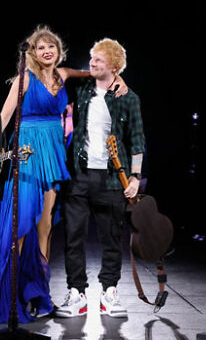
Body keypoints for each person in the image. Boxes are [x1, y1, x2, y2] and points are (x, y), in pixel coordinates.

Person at [0, 26, 127, 323]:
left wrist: (117, 78)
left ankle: (38, 292)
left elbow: (95, 73)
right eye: (41, 47)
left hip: (54, 152)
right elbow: (4, 116)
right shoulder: (24, 79)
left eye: (52, 47)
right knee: (20, 225)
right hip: (28, 151)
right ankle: (12, 292)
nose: (47, 51)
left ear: (59, 51)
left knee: (45, 225)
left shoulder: (64, 74)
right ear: (32, 52)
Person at [54, 38, 145, 319]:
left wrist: (135, 177)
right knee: (73, 236)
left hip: (110, 179)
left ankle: (109, 292)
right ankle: (76, 293)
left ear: (115, 66)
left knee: (111, 237)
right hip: (78, 175)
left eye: (99, 60)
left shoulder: (128, 98)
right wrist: (100, 74)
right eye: (92, 58)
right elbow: (61, 72)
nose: (92, 63)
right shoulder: (82, 90)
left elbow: (137, 139)